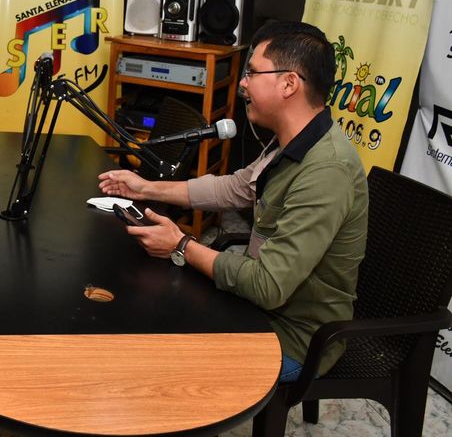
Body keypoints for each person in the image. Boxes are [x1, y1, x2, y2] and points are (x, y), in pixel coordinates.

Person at [99, 21, 368, 383]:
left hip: (293, 340)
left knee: (161, 360)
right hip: (257, 308)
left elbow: (268, 286)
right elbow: (236, 187)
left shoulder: (326, 171)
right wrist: (147, 188)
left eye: (253, 73)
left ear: (289, 84)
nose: (243, 83)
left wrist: (180, 244)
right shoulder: (295, 140)